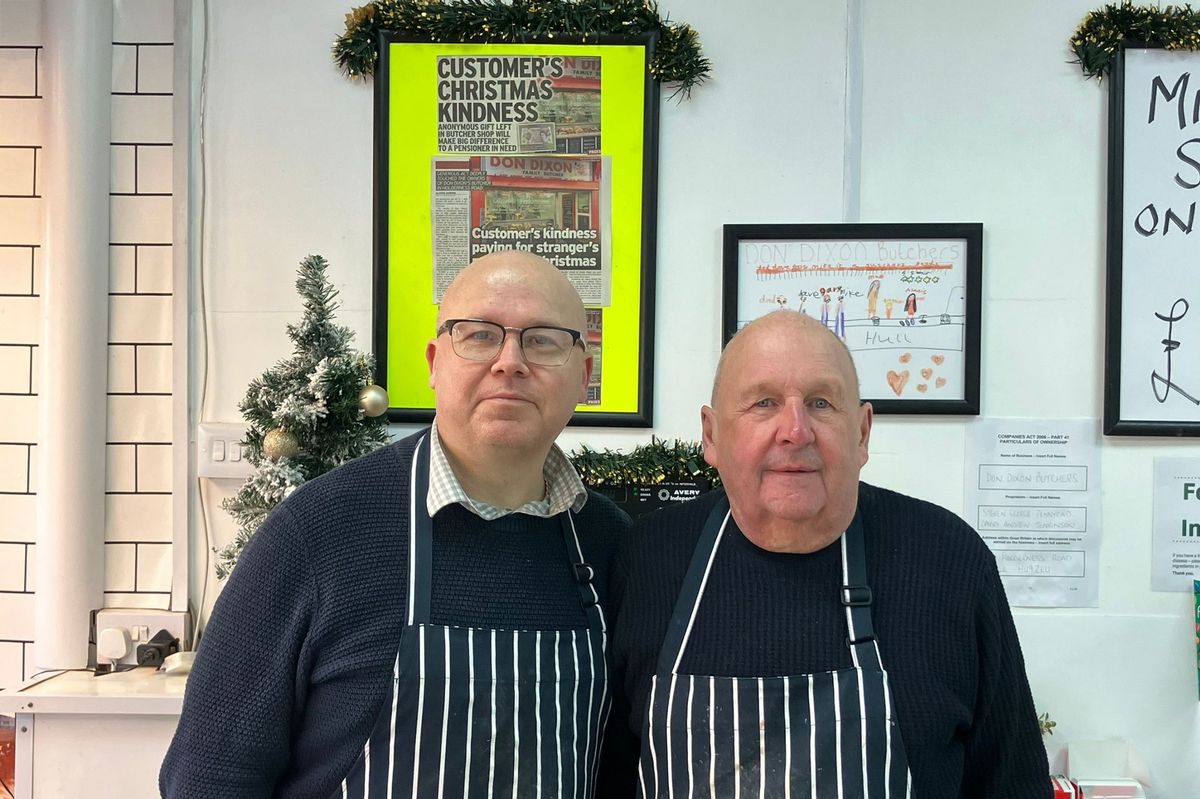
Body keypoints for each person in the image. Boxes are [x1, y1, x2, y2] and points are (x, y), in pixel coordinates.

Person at [161, 251, 630, 798]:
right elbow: (210, 776)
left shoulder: (610, 543)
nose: (510, 361)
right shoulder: (316, 531)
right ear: (435, 363)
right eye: (479, 336)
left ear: (584, 375)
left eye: (543, 340)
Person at [606, 310, 1049, 798]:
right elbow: (609, 776)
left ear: (861, 432)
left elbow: (1014, 782)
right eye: (763, 403)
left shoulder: (949, 560)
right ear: (711, 436)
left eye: (821, 403)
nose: (795, 431)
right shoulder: (646, 558)